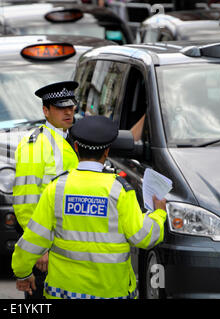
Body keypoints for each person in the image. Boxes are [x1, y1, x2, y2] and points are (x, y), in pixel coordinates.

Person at [12, 115, 167, 299]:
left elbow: (33, 238)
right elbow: (143, 237)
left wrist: (23, 273)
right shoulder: (119, 191)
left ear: (76, 148)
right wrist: (158, 214)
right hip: (111, 293)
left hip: (62, 293)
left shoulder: (57, 188)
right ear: (107, 151)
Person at [12, 81, 79, 299]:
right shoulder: (36, 145)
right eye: (61, 107)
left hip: (67, 245)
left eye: (71, 106)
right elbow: (25, 202)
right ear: (46, 111)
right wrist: (39, 248)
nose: (68, 111)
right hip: (47, 247)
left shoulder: (72, 138)